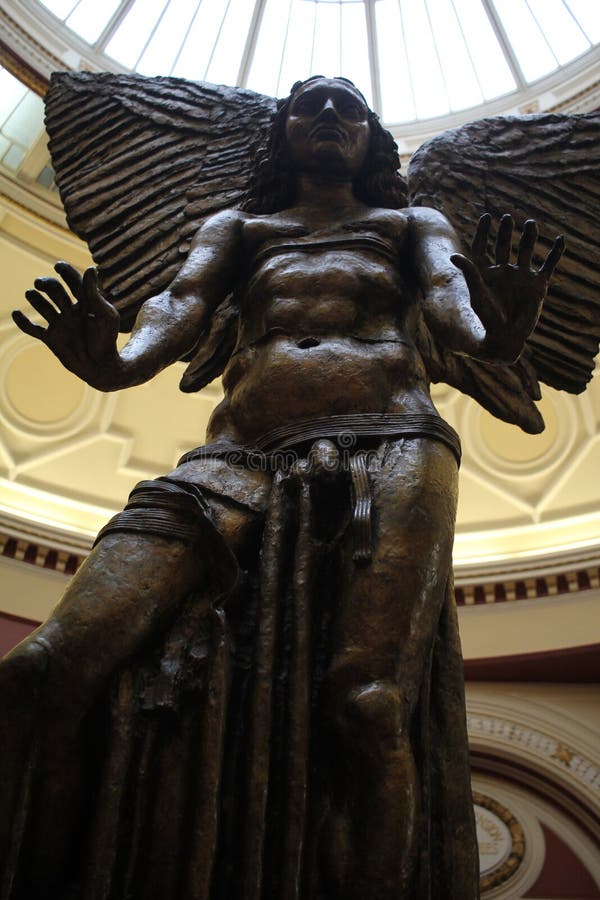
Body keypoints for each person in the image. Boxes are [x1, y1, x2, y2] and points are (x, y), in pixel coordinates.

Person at [1, 77, 562, 900]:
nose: (330, 116)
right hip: (235, 458)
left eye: (350, 107)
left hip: (393, 448)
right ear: (281, 136)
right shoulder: (237, 228)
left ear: (374, 140)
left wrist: (497, 333)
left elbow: (451, 306)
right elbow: (178, 306)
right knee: (43, 669)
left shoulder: (411, 224)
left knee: (366, 707)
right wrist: (114, 362)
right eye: (310, 105)